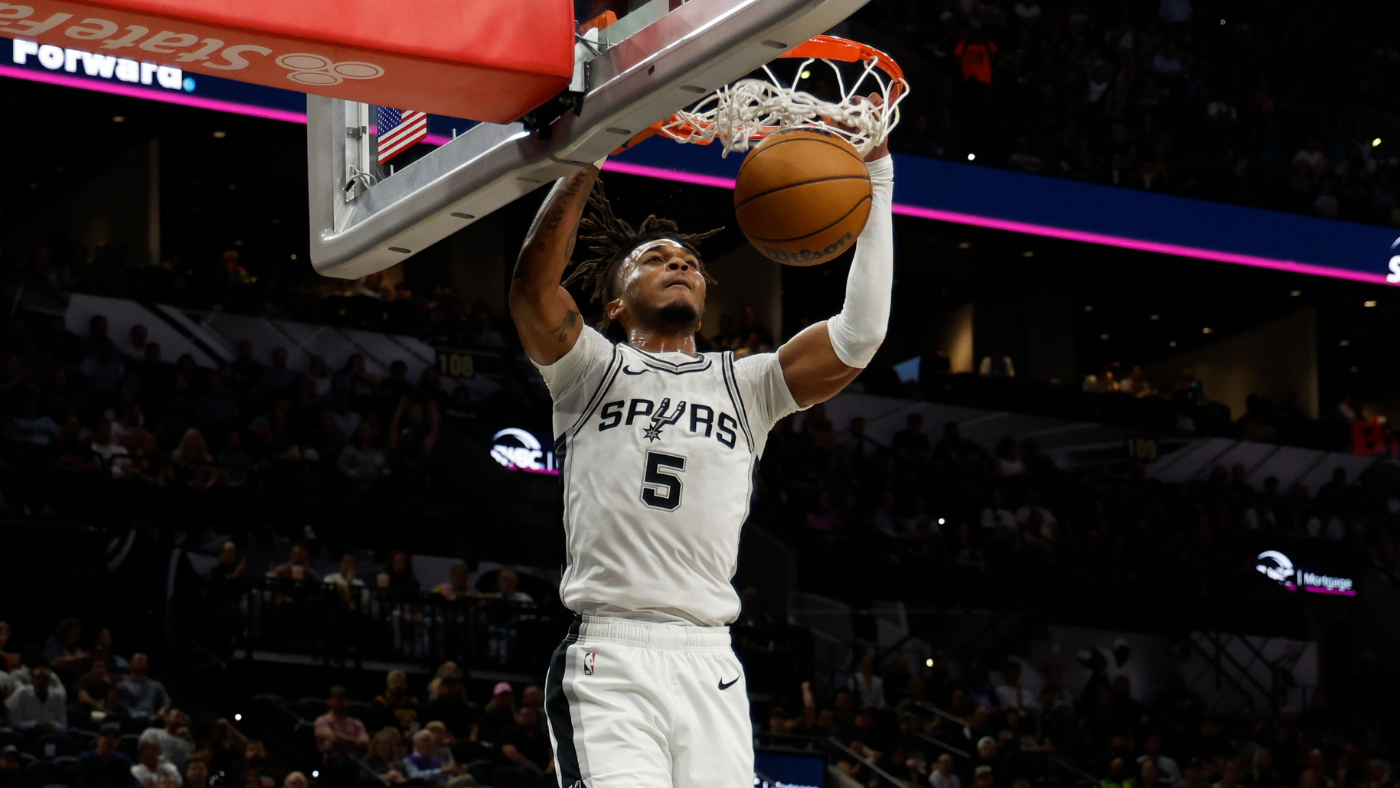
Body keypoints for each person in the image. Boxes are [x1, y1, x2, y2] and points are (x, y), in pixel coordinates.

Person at [508, 125, 894, 788]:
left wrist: (878, 180)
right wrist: (585, 157)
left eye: (687, 261)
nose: (679, 264)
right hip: (612, 651)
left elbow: (861, 336)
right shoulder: (589, 367)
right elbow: (532, 290)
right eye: (655, 259)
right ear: (615, 302)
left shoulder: (748, 384)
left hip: (709, 658)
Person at [403, 730, 475, 788]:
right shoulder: (410, 760)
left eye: (430, 741)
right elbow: (415, 776)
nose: (428, 744)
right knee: (468, 779)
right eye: (425, 740)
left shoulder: (435, 759)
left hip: (442, 784)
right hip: (427, 786)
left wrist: (454, 774)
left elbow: (445, 775)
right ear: (416, 743)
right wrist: (441, 771)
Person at [314, 686, 369, 761]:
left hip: (356, 761)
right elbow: (333, 739)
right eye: (337, 697)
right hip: (333, 761)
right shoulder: (323, 720)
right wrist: (356, 741)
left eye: (343, 697)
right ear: (329, 701)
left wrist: (341, 738)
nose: (341, 700)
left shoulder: (356, 723)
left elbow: (365, 743)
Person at [6, 664, 66, 731]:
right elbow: (14, 721)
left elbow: (63, 724)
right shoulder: (22, 694)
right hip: (27, 732)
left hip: (51, 732)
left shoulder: (57, 696)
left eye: (45, 679)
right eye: (38, 679)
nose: (41, 682)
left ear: (50, 681)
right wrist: (34, 724)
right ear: (32, 680)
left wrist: (53, 725)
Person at [78, 723, 136, 788]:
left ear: (118, 743)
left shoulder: (123, 761)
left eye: (114, 738)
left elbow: (130, 784)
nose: (110, 740)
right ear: (98, 739)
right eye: (106, 736)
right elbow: (84, 785)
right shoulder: (85, 759)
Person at [118, 653, 171, 720]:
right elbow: (124, 707)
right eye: (139, 660)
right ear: (130, 665)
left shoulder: (156, 686)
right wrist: (138, 716)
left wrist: (160, 713)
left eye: (145, 661)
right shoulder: (122, 686)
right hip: (131, 720)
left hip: (153, 719)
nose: (143, 662)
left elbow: (166, 703)